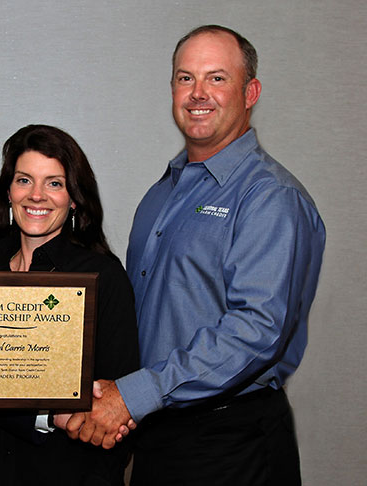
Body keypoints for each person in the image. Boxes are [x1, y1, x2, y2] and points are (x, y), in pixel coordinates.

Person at [64, 25, 326, 485]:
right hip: (155, 434)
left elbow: (256, 331)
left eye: (217, 78)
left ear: (251, 92)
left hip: (230, 443)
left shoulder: (270, 198)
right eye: (185, 78)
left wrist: (130, 396)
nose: (198, 93)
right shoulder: (161, 194)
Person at [0, 124, 139, 485]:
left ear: (73, 198)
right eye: (24, 180)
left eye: (54, 183)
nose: (37, 195)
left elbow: (116, 406)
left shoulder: (103, 278)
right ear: (8, 192)